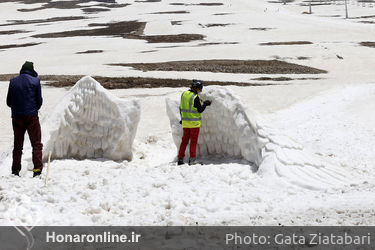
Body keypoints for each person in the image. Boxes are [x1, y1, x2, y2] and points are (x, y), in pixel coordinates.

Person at [6, 61, 43, 177]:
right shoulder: (36, 81)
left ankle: (15, 170)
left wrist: (18, 109)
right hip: (31, 116)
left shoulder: (13, 82)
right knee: (36, 144)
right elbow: (39, 101)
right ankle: (37, 170)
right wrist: (32, 109)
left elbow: (8, 102)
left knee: (18, 145)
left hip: (17, 117)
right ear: (32, 71)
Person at [177, 80, 211, 165]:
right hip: (194, 124)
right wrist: (205, 104)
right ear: (196, 88)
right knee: (193, 142)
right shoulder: (195, 97)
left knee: (184, 141)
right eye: (200, 89)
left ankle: (180, 159)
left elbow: (181, 108)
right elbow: (200, 110)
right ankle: (192, 160)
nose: (200, 91)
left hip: (185, 122)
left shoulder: (184, 94)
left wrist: (182, 118)